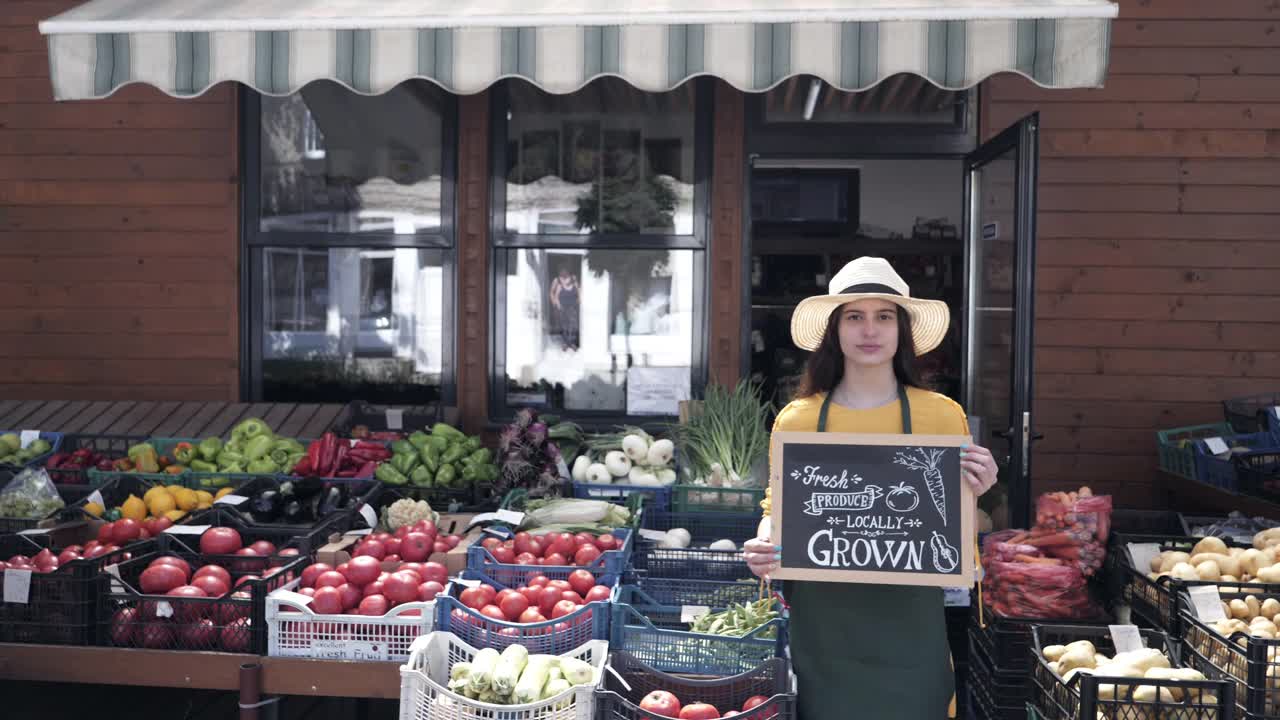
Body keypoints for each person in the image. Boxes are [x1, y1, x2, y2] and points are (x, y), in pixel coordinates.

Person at [742, 256, 999, 720]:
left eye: (884, 316)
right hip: (824, 631)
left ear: (901, 330)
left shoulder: (941, 415)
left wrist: (980, 488)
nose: (869, 330)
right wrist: (765, 541)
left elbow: (961, 516)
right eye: (854, 316)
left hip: (911, 632)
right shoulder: (798, 419)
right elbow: (777, 508)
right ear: (834, 331)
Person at [549, 267, 580, 350]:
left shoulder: (574, 281)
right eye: (562, 270)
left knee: (573, 325)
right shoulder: (557, 282)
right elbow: (553, 294)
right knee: (563, 325)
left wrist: (578, 302)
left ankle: (572, 343)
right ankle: (565, 343)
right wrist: (555, 304)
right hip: (562, 307)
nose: (564, 272)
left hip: (572, 306)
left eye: (565, 270)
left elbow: (578, 291)